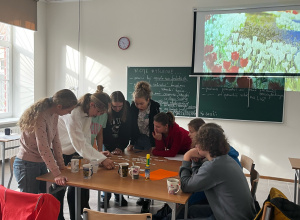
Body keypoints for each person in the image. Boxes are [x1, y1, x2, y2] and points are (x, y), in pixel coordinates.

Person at [55, 91, 115, 220]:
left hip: (73, 150)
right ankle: (57, 217)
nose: (98, 115)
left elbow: (86, 138)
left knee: (79, 185)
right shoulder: (74, 113)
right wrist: (101, 159)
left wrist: (96, 154)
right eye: (99, 112)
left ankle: (77, 216)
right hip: (60, 151)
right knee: (60, 188)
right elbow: (79, 143)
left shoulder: (87, 113)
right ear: (92, 104)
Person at [179, 123, 256, 219]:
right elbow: (198, 178)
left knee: (184, 211)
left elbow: (186, 186)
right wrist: (197, 162)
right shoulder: (225, 159)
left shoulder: (213, 166)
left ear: (205, 145)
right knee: (190, 210)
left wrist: (186, 158)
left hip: (229, 217)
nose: (195, 146)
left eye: (197, 143)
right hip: (236, 213)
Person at [13, 89, 77, 194]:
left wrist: (61, 165)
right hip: (27, 164)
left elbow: (56, 141)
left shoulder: (55, 114)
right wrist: (57, 173)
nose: (69, 113)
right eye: (69, 110)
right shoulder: (40, 117)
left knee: (42, 197)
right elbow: (43, 148)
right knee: (30, 201)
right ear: (59, 106)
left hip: (40, 162)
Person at [127, 81, 160, 212]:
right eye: (136, 103)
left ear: (148, 100)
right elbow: (131, 126)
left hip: (150, 140)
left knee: (148, 167)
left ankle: (147, 199)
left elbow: (155, 127)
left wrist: (153, 145)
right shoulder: (133, 108)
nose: (139, 106)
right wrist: (132, 143)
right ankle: (141, 195)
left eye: (142, 103)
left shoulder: (155, 107)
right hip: (138, 139)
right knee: (138, 167)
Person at [101, 91, 131, 207]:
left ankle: (119, 195)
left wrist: (120, 147)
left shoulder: (126, 109)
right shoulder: (106, 111)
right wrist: (112, 148)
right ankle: (105, 197)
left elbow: (127, 131)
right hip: (107, 145)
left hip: (120, 145)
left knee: (120, 169)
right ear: (110, 105)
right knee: (107, 171)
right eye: (114, 106)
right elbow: (104, 133)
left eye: (120, 106)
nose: (117, 109)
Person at [90, 85, 109, 151]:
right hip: (79, 149)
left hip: (88, 148)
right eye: (98, 111)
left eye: (102, 113)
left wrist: (100, 151)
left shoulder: (104, 115)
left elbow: (99, 134)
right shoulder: (87, 114)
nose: (98, 114)